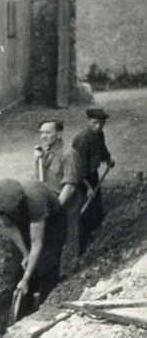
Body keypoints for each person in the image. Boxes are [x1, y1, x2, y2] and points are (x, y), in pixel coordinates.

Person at [0, 178, 66, 317]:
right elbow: (10, 226)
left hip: (52, 222)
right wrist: (25, 253)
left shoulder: (35, 201)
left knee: (46, 265)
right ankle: (24, 311)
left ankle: (44, 309)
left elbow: (37, 243)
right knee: (21, 266)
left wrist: (26, 279)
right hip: (23, 221)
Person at [34, 119, 82, 274]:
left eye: (48, 132)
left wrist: (57, 206)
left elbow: (70, 185)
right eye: (42, 132)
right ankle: (49, 272)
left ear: (59, 134)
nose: (44, 136)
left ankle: (68, 271)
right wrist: (38, 160)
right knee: (50, 237)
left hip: (66, 203)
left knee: (69, 235)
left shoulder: (68, 154)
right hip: (50, 202)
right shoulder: (44, 153)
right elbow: (39, 179)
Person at [72, 107, 115, 252]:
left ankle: (94, 238)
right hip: (80, 180)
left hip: (92, 176)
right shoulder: (83, 139)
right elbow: (77, 169)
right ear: (88, 121)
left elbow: (102, 150)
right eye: (95, 123)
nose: (98, 126)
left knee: (96, 208)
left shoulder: (99, 134)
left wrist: (108, 159)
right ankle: (80, 247)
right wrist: (88, 188)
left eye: (101, 124)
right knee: (83, 212)